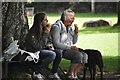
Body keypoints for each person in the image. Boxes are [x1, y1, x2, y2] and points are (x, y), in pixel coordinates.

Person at [51, 9, 88, 79]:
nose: (73, 20)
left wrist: (76, 33)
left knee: (85, 55)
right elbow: (56, 44)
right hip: (60, 49)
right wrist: (70, 48)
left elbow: (74, 41)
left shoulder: (70, 27)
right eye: (72, 18)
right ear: (65, 18)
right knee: (78, 55)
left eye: (74, 18)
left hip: (68, 48)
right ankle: (70, 75)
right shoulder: (57, 27)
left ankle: (74, 74)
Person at [25, 12, 56, 80]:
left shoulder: (45, 29)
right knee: (52, 55)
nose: (47, 21)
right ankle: (37, 71)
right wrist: (45, 34)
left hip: (43, 49)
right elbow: (37, 46)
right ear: (40, 21)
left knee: (58, 52)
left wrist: (50, 46)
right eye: (45, 19)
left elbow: (49, 40)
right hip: (34, 51)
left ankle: (53, 72)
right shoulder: (33, 32)